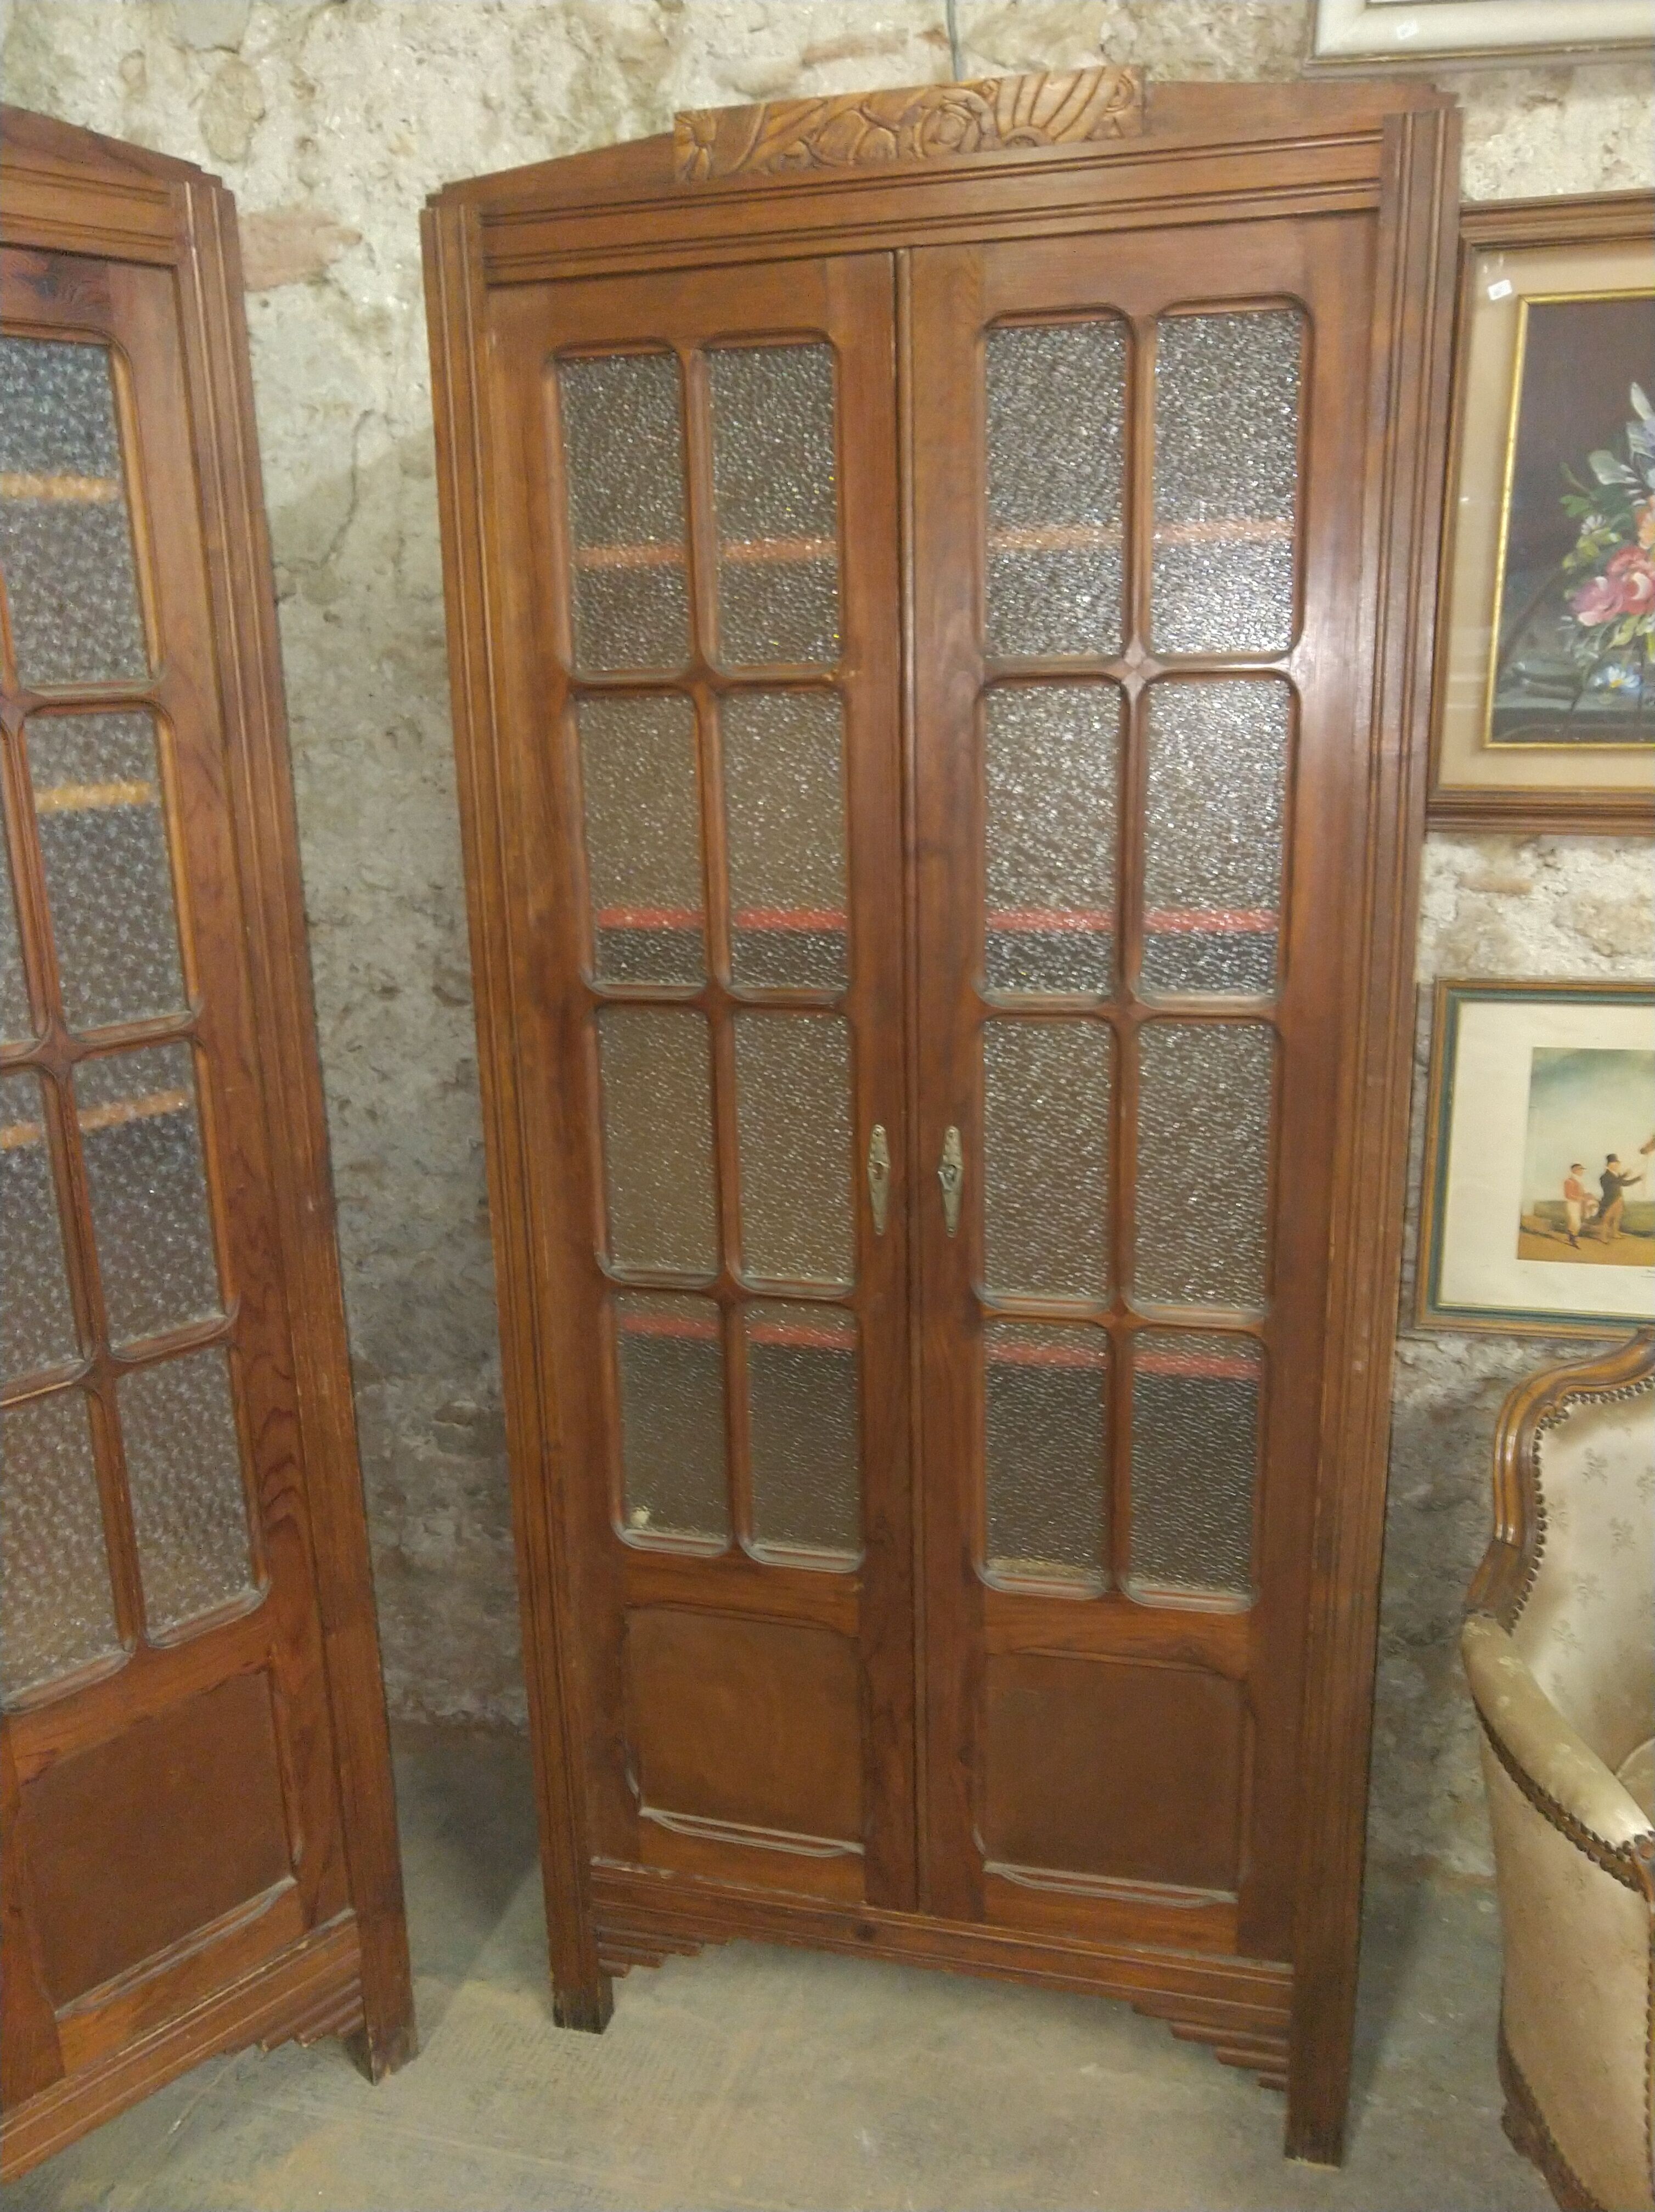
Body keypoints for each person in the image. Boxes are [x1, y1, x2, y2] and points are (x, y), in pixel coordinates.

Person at [1591, 1153, 1645, 1243]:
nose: (1617, 1166)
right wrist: (1625, 1175)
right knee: (1607, 1218)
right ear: (1610, 1165)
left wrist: (1638, 1178)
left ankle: (1615, 1233)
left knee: (1617, 1217)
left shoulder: (1617, 1176)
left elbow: (1625, 1183)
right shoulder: (1605, 1176)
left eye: (1617, 1164)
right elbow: (1615, 1182)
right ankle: (1603, 1236)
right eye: (1615, 1164)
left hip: (1619, 1200)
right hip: (1610, 1201)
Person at [1562, 1163, 1590, 1248]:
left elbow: (1583, 1193)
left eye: (1582, 1170)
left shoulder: (1579, 1181)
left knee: (1574, 1222)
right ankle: (1574, 1240)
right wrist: (1580, 1198)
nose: (1582, 1172)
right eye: (1580, 1170)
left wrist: (1587, 1197)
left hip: (1579, 1204)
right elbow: (1568, 1195)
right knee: (1577, 1223)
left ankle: (1571, 1235)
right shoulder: (1569, 1181)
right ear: (1575, 1171)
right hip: (1572, 1204)